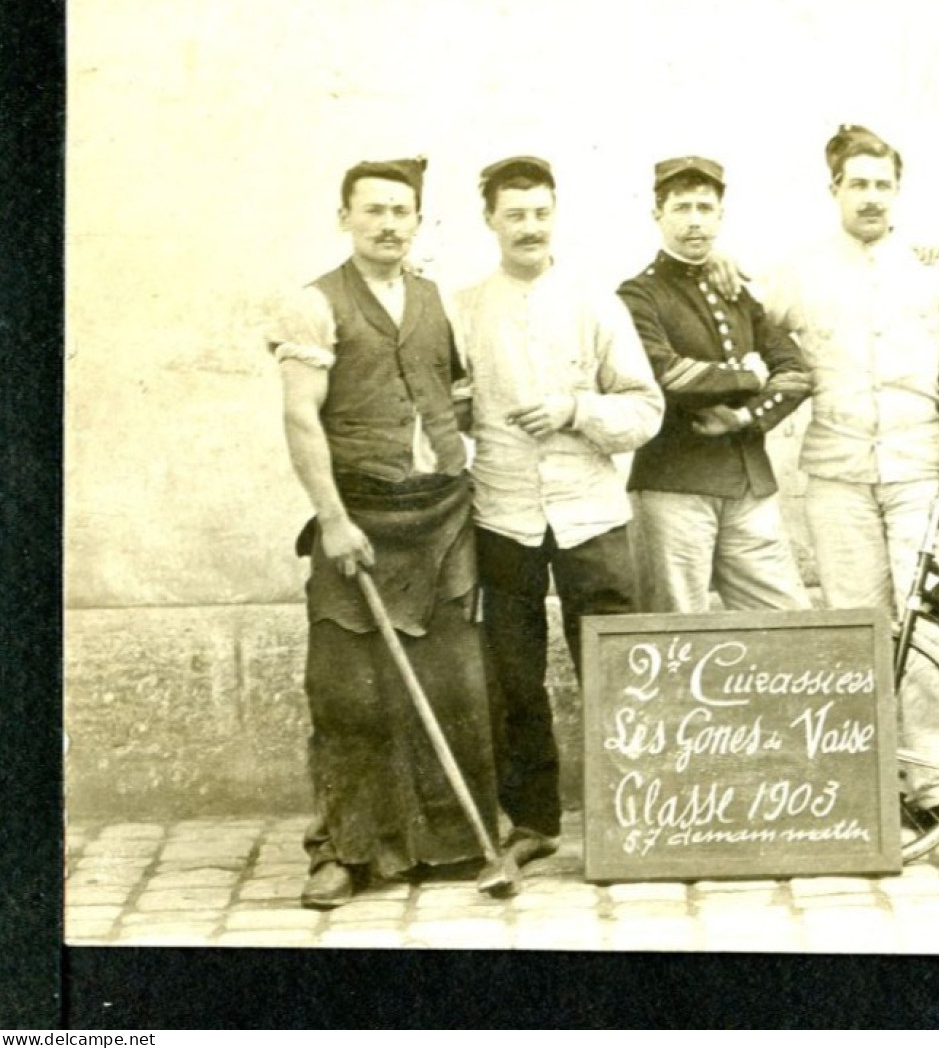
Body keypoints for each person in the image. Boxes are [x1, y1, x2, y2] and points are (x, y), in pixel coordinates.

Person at [267, 157, 499, 909]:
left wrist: (448, 456)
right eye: (373, 210)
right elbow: (301, 417)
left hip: (441, 517)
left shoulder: (440, 302)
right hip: (357, 518)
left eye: (402, 211)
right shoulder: (314, 304)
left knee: (453, 679)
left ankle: (451, 844)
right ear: (346, 218)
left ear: (418, 220)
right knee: (348, 690)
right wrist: (332, 519)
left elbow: (457, 393)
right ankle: (344, 850)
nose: (389, 224)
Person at [762, 124, 939, 832]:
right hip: (837, 474)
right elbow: (753, 336)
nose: (870, 197)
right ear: (833, 190)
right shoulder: (796, 273)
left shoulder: (930, 272)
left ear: (897, 190)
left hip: (918, 472)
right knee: (855, 628)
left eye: (882, 184)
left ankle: (934, 787)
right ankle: (864, 782)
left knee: (926, 630)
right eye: (856, 183)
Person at [450, 156, 663, 866]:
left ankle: (629, 815)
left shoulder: (596, 301)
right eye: (515, 214)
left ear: (554, 214)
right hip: (503, 512)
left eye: (540, 212)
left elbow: (645, 409)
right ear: (490, 221)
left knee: (616, 667)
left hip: (590, 515)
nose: (529, 227)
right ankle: (533, 820)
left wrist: (575, 409)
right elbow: (445, 402)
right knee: (512, 676)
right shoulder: (466, 307)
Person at [618, 155, 813, 613]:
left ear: (720, 216)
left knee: (789, 622)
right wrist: (752, 376)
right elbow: (666, 373)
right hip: (674, 484)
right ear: (657, 216)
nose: (694, 222)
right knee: (675, 631)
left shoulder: (736, 291)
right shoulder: (638, 294)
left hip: (748, 483)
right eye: (681, 208)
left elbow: (798, 372)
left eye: (705, 209)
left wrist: (745, 416)